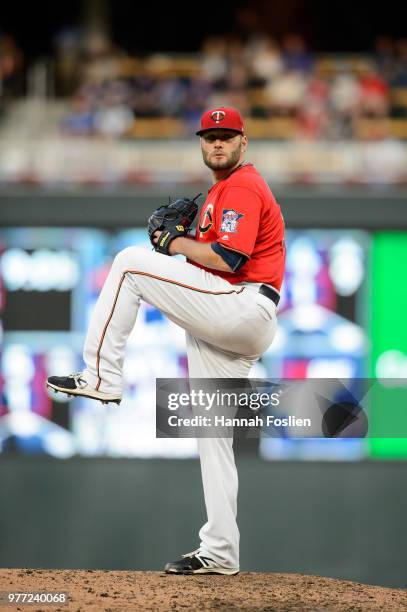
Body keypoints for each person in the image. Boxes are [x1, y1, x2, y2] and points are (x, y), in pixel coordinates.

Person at [46, 106, 286, 575]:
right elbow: (203, 263)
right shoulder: (222, 190)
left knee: (131, 263)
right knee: (212, 435)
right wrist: (181, 241)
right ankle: (220, 551)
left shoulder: (243, 185)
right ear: (201, 143)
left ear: (244, 142)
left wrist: (172, 243)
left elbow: (228, 258)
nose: (217, 143)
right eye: (209, 136)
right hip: (232, 316)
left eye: (227, 136)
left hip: (241, 302)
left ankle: (101, 375)